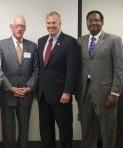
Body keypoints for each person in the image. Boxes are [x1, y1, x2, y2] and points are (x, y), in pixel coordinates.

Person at [76, 10, 123, 148]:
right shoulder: (80, 41)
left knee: (108, 130)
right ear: (87, 23)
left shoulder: (113, 40)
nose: (94, 23)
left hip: (106, 94)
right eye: (90, 20)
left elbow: (120, 68)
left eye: (97, 20)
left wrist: (115, 93)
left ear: (102, 23)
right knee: (87, 130)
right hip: (84, 92)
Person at [37, 11, 79, 148]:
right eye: (48, 23)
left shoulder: (70, 42)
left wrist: (67, 91)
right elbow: (42, 68)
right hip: (43, 95)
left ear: (60, 23)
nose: (51, 26)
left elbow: (72, 70)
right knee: (45, 129)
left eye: (54, 23)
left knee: (65, 129)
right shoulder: (41, 41)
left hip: (61, 95)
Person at [0, 15, 38, 148]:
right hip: (8, 94)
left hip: (26, 94)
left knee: (24, 129)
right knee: (8, 130)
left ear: (25, 28)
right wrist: (10, 88)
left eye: (22, 26)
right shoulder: (1, 45)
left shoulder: (32, 46)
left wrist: (29, 87)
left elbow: (36, 70)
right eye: (17, 26)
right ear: (11, 27)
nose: (19, 29)